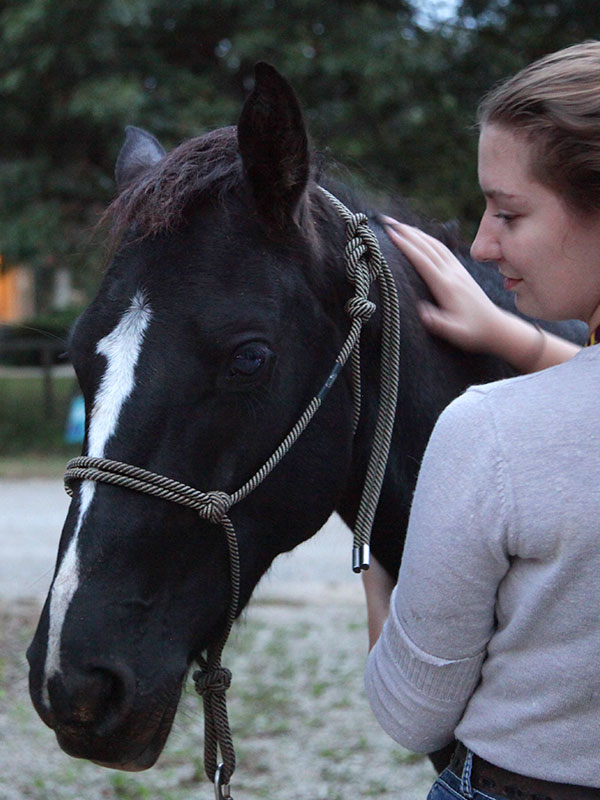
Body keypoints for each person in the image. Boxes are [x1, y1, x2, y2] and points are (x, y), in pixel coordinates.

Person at [363, 41, 600, 800]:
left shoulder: (489, 434)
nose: (480, 244)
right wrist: (509, 337)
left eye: (509, 212)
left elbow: (411, 715)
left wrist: (376, 568)